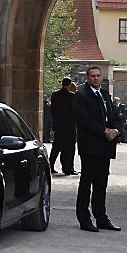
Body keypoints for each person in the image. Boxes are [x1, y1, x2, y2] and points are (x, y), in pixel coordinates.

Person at [72, 66, 121, 233]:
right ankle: (84, 219)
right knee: (87, 182)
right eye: (92, 76)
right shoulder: (81, 95)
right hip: (90, 146)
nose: (96, 79)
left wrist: (115, 130)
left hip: (105, 146)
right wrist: (103, 131)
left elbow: (114, 116)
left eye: (98, 76)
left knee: (101, 183)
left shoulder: (105, 95)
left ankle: (101, 217)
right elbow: (83, 119)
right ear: (87, 78)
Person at [49, 78, 77, 176]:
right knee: (69, 148)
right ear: (69, 85)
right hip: (69, 126)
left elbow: (52, 110)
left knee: (56, 147)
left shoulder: (55, 95)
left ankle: (50, 165)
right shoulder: (72, 96)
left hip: (59, 125)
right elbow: (75, 111)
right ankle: (67, 167)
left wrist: (57, 119)